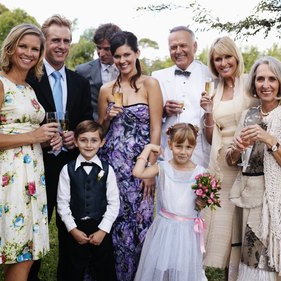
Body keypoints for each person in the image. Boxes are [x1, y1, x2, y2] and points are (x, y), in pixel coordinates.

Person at [0, 23, 62, 281]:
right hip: (10, 175)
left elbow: (25, 133)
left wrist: (47, 141)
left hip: (33, 174)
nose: (29, 53)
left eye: (35, 48)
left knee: (26, 250)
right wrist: (33, 136)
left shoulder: (28, 87)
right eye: (23, 46)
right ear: (11, 48)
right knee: (20, 250)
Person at [227, 56, 281, 280]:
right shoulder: (249, 116)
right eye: (260, 79)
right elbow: (232, 159)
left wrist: (270, 140)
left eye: (272, 79)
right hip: (247, 200)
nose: (266, 85)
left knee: (268, 264)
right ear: (253, 84)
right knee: (248, 262)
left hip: (274, 207)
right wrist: (236, 149)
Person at [27, 14, 93, 281]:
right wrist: (39, 138)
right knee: (35, 228)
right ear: (44, 41)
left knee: (70, 229)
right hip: (36, 165)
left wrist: (74, 137)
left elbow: (86, 122)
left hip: (70, 166)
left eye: (66, 40)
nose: (61, 46)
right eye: (55, 40)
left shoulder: (79, 82)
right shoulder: (29, 77)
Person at [98, 31, 163, 280]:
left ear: (137, 53)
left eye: (127, 54)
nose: (122, 60)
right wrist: (106, 118)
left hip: (139, 165)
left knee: (140, 221)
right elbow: (101, 131)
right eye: (117, 56)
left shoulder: (150, 84)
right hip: (112, 164)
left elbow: (156, 127)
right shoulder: (107, 89)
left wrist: (150, 168)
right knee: (112, 220)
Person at [199, 36, 258, 280]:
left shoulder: (251, 83)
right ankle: (222, 275)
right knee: (221, 233)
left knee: (245, 231)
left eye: (227, 57)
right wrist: (208, 114)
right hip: (223, 167)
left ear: (236, 57)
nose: (223, 63)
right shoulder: (212, 88)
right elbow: (211, 136)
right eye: (218, 59)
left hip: (251, 166)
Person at [133, 123, 207, 281]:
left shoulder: (200, 173)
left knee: (182, 270)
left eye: (188, 147)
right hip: (164, 230)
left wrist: (202, 202)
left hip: (187, 232)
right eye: (179, 146)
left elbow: (201, 203)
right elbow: (138, 172)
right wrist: (148, 149)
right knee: (162, 270)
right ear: (170, 145)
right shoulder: (163, 167)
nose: (183, 151)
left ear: (194, 148)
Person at [56, 120, 119, 281]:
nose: (89, 145)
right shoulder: (67, 170)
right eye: (83, 140)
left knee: (105, 271)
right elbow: (62, 204)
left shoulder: (108, 170)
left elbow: (114, 203)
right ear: (76, 142)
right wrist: (73, 230)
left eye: (94, 140)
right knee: (73, 270)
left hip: (100, 227)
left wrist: (103, 230)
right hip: (76, 228)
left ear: (102, 142)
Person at [152, 26, 212, 168]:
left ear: (194, 46)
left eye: (183, 46)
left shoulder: (210, 75)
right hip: (167, 155)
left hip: (200, 156)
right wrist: (165, 111)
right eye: (173, 47)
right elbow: (150, 119)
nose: (178, 51)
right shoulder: (157, 77)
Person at [76, 23, 122, 121]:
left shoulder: (129, 70)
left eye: (107, 49)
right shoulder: (82, 71)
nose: (101, 53)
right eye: (98, 48)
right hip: (95, 130)